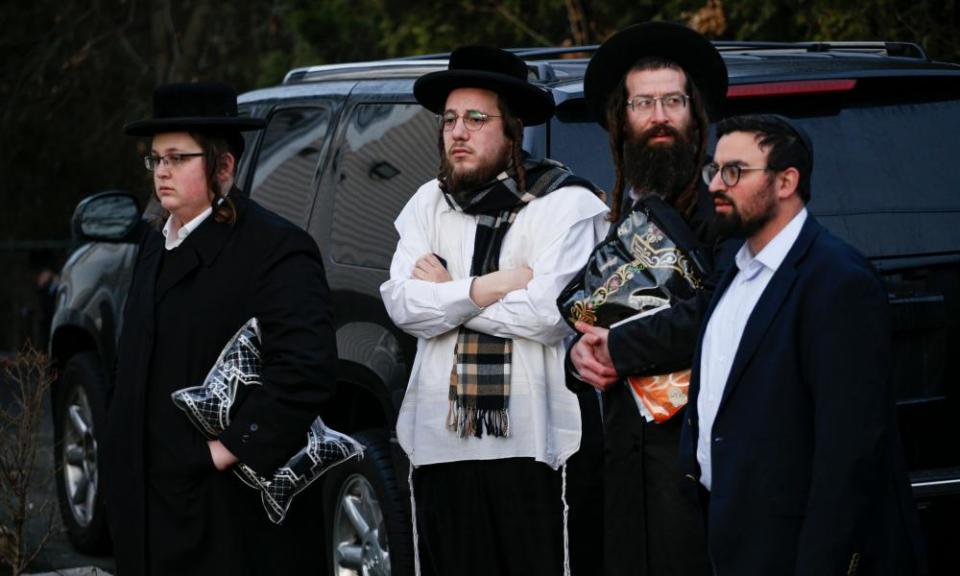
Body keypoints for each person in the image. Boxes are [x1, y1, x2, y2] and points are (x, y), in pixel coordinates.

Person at [379, 46, 608, 576]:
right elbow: (403, 305)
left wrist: (452, 293)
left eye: (477, 118)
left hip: (538, 445)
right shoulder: (426, 203)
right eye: (451, 119)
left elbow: (550, 314)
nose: (458, 131)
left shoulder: (568, 204)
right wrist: (490, 286)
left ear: (514, 130)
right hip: (439, 441)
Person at [100, 82, 337, 575]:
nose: (162, 171)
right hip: (147, 503)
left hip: (223, 510)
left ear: (223, 166)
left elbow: (305, 369)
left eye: (178, 158)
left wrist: (227, 450)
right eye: (155, 158)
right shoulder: (153, 244)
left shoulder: (275, 249)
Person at [681, 114, 925, 574]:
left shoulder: (836, 280)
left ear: (786, 181)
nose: (716, 184)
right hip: (731, 537)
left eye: (734, 171)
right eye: (713, 170)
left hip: (797, 550)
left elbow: (848, 452)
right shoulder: (737, 270)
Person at [567, 21, 729, 576]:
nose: (660, 115)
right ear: (622, 120)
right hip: (624, 458)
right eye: (644, 103)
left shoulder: (725, 209)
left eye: (673, 100)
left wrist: (620, 346)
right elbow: (594, 313)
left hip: (706, 454)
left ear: (695, 114)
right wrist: (581, 352)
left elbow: (722, 312)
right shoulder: (616, 215)